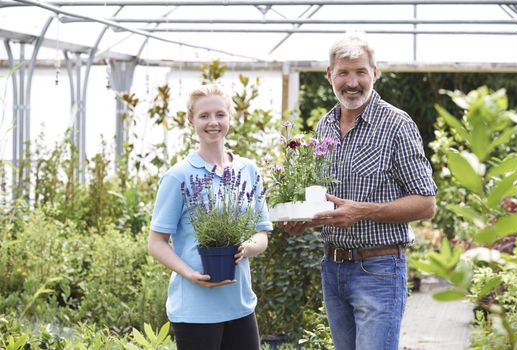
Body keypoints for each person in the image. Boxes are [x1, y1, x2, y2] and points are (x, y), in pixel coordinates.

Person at [282, 31, 437, 350]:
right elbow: (329, 203)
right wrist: (307, 220)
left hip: (378, 270)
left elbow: (426, 203)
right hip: (333, 268)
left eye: (361, 72)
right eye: (343, 73)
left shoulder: (397, 125)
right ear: (330, 75)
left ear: (375, 73)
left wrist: (363, 211)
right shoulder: (325, 127)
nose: (352, 82)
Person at [148, 83, 272, 350]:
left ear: (229, 117)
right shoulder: (178, 176)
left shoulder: (248, 170)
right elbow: (156, 242)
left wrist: (247, 248)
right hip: (195, 309)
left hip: (240, 306)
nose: (212, 122)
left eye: (220, 114)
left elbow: (262, 233)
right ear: (190, 120)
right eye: (204, 116)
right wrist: (190, 273)